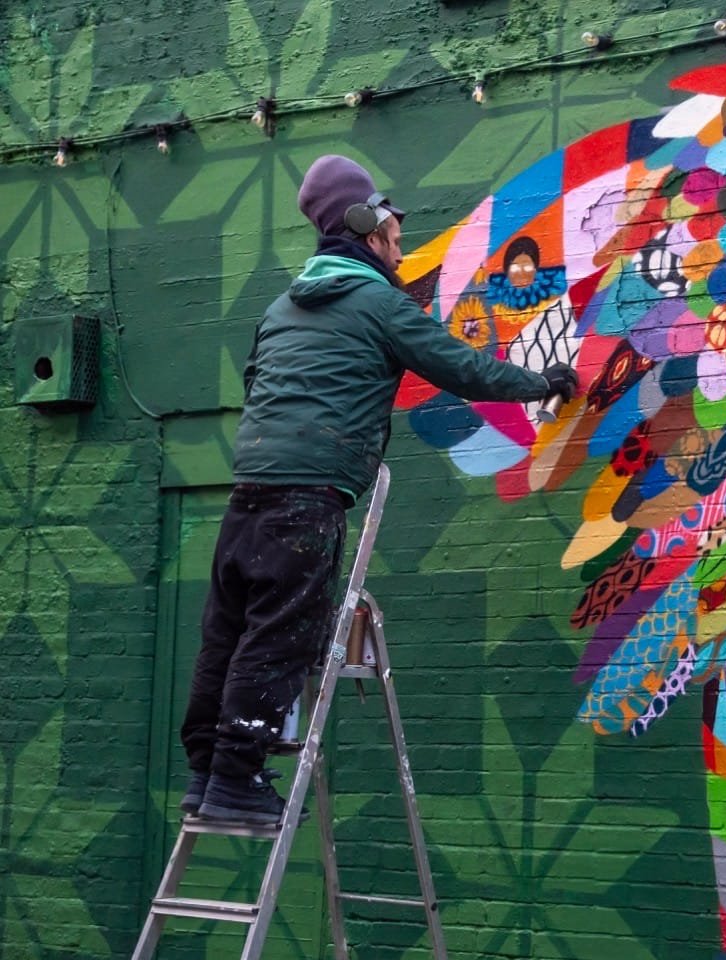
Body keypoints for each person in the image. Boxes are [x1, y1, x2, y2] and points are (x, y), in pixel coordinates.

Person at [179, 154, 579, 825]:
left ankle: (205, 773)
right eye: (393, 231)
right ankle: (235, 781)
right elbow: (459, 367)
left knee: (227, 632)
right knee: (279, 635)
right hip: (307, 499)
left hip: (250, 490)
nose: (400, 245)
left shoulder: (281, 308)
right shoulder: (378, 302)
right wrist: (542, 382)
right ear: (365, 229)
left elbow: (258, 382)